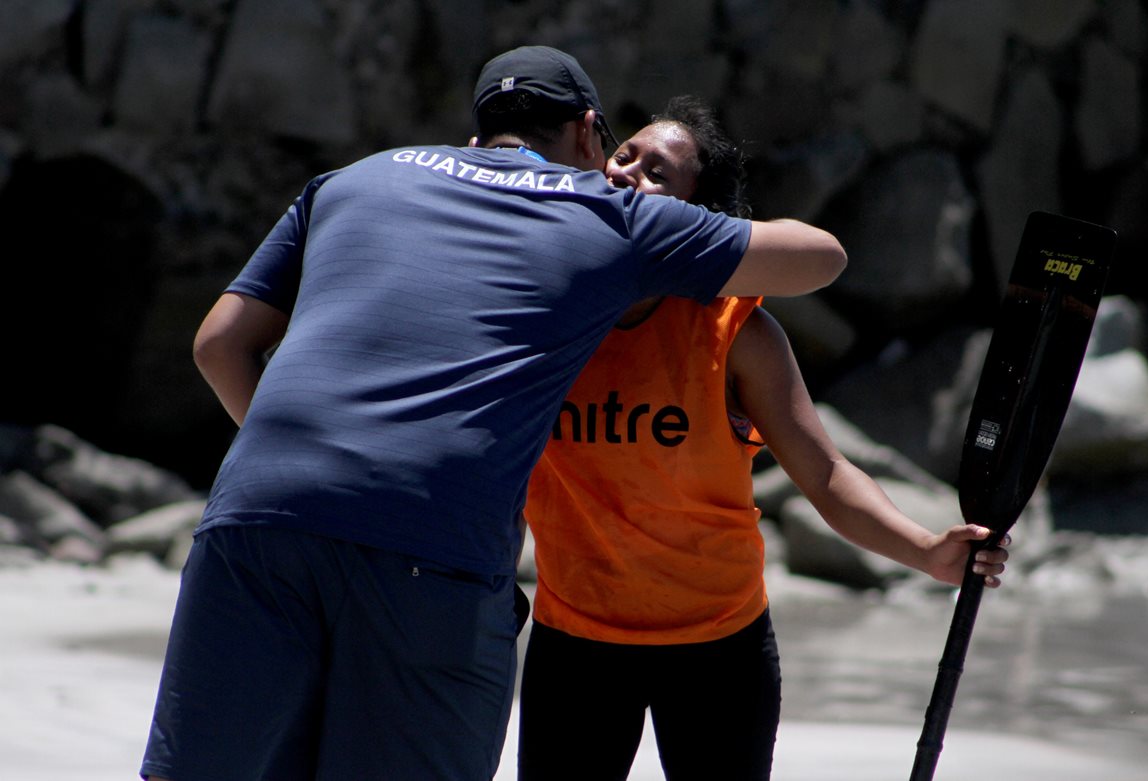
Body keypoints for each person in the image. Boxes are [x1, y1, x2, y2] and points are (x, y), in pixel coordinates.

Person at [139, 47, 848, 781]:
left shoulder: (351, 180)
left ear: (479, 132)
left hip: (254, 515)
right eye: (615, 150)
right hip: (430, 542)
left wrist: (302, 476)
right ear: (586, 133)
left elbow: (219, 343)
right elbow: (821, 257)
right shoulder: (602, 212)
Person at [516, 96, 1010, 781]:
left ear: (697, 220)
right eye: (623, 155)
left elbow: (826, 473)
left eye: (658, 172)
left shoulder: (736, 332)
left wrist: (926, 551)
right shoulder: (543, 312)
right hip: (575, 641)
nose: (627, 173)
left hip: (718, 647)